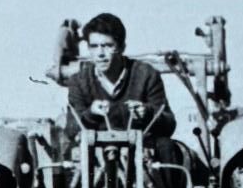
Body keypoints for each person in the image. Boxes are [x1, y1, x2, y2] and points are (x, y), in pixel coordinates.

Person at [60, 13, 176, 143]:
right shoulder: (79, 81)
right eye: (94, 46)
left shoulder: (146, 75)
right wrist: (91, 114)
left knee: (166, 146)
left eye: (108, 46)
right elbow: (71, 130)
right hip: (95, 151)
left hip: (142, 148)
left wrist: (147, 113)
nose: (100, 54)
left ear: (122, 47)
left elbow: (169, 125)